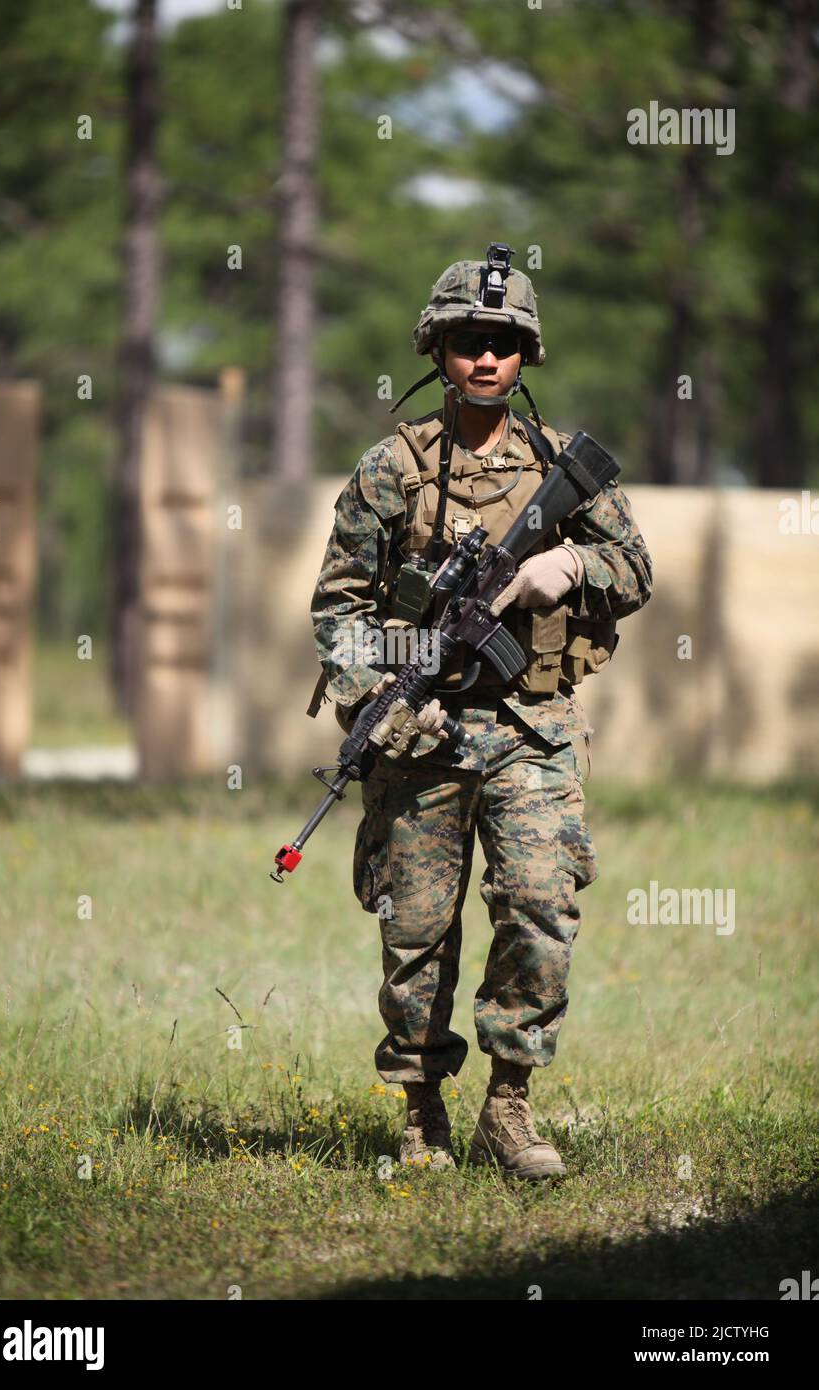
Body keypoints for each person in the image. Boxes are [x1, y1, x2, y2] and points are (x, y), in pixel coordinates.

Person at [307, 244, 652, 1180]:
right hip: (423, 735)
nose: (486, 358)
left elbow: (637, 572)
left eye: (504, 342)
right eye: (468, 341)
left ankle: (509, 1106)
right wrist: (377, 695)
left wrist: (570, 565)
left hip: (536, 732)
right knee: (416, 928)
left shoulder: (559, 467)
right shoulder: (393, 470)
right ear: (438, 349)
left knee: (540, 908)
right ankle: (422, 1115)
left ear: (527, 354)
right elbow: (337, 608)